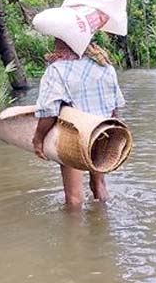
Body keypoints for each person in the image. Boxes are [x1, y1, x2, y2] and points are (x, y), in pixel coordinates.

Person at [32, 35, 125, 207]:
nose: (55, 43)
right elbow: (115, 107)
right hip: (101, 133)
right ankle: (102, 227)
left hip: (74, 136)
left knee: (74, 198)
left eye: (57, 40)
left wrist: (38, 139)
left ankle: (75, 234)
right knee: (99, 186)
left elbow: (48, 111)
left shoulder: (57, 70)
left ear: (64, 43)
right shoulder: (105, 66)